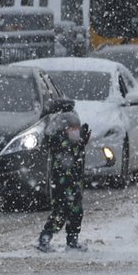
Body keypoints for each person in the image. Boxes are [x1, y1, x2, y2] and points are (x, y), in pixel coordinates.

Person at [36, 100, 90, 252]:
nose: (76, 131)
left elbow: (77, 154)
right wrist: (79, 144)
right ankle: (44, 239)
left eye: (77, 128)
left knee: (76, 212)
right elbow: (68, 150)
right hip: (62, 184)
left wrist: (81, 143)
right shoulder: (58, 140)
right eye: (72, 128)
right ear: (64, 128)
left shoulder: (74, 142)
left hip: (75, 184)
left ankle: (72, 242)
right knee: (60, 212)